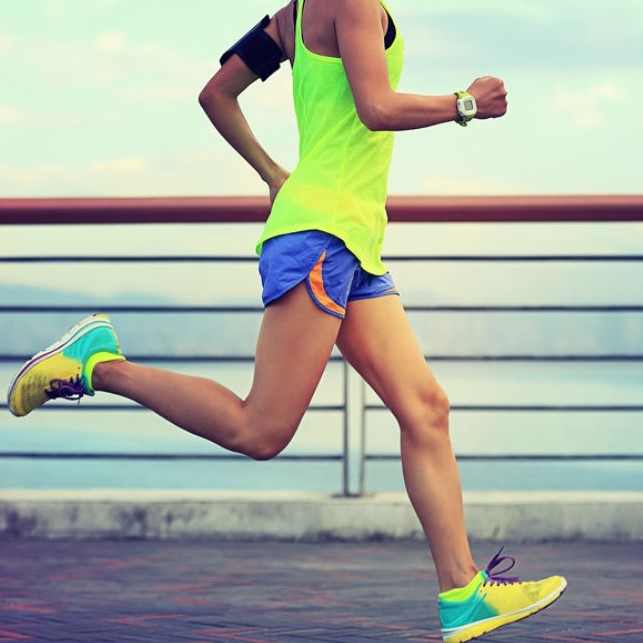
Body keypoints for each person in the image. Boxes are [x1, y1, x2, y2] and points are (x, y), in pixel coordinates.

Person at [7, 1, 566, 640]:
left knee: (425, 409)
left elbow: (217, 93)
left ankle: (463, 593)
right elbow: (375, 107)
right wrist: (465, 103)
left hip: (350, 240)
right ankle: (100, 365)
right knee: (261, 429)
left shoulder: (293, 14)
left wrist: (275, 173)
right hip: (322, 238)